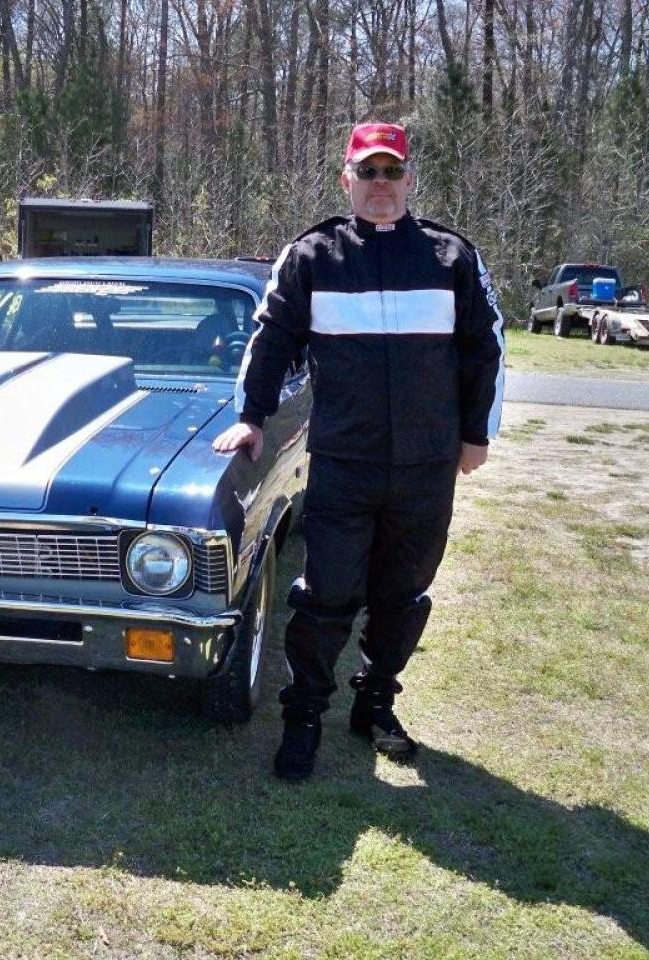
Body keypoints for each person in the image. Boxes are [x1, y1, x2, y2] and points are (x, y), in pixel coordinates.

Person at [212, 121, 506, 781]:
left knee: (404, 596)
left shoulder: (451, 257)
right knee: (327, 595)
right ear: (347, 179)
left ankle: (375, 704)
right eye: (367, 172)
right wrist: (252, 417)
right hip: (344, 463)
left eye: (391, 171)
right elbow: (272, 338)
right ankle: (304, 717)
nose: (380, 183)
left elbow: (485, 347)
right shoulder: (313, 256)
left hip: (427, 467)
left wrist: (476, 435)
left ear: (409, 178)